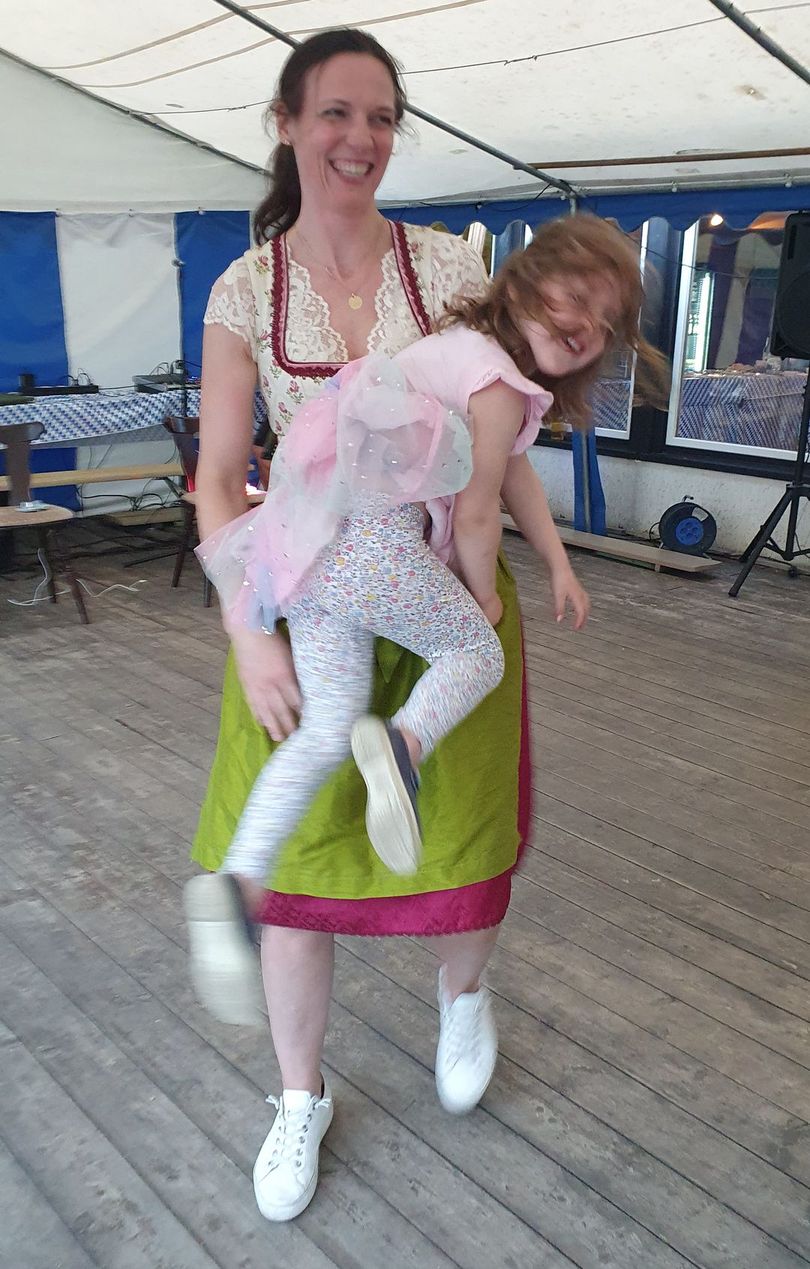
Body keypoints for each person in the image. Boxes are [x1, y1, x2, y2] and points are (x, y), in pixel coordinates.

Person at [185, 26, 656, 1225]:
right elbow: (219, 476)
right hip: (305, 590)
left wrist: (541, 556)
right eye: (337, 113)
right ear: (287, 125)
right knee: (306, 861)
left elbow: (501, 447)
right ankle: (300, 1094)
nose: (362, 138)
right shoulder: (243, 290)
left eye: (383, 117)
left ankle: (462, 1001)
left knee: (461, 837)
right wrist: (248, 634)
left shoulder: (450, 264)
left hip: (436, 579)